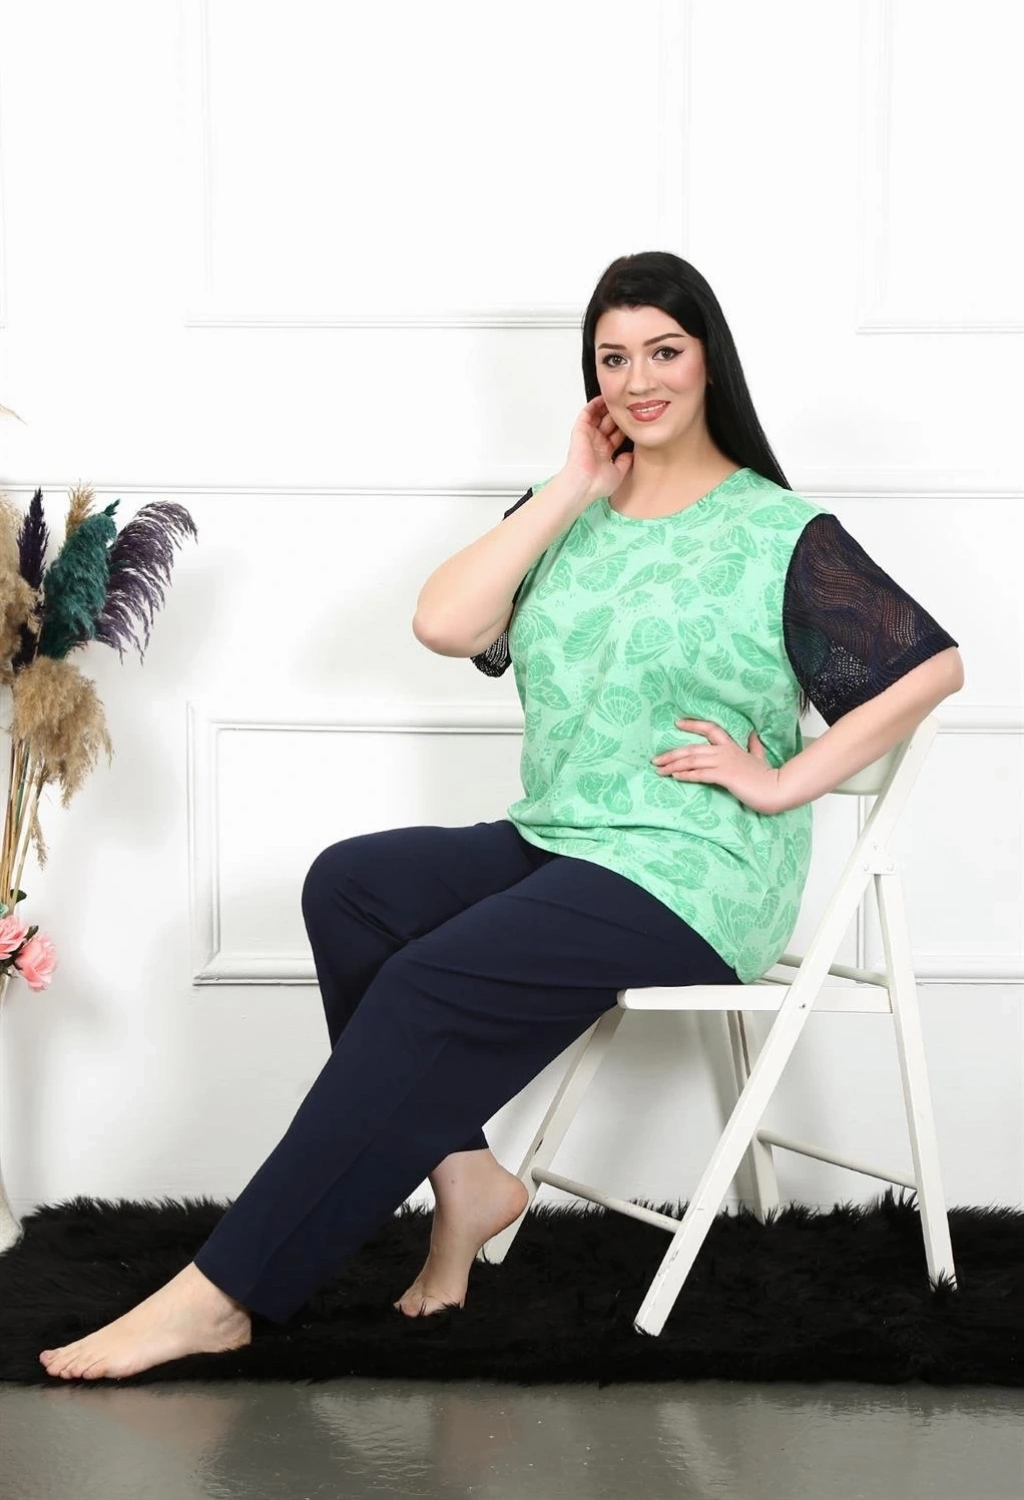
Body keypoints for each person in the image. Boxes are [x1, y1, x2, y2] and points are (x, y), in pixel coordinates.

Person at [39, 250, 963, 1380]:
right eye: (612, 358)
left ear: (709, 361)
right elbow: (444, 625)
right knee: (352, 887)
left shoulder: (779, 532)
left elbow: (930, 667)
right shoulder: (566, 507)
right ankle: (468, 1177)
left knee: (426, 982)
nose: (638, 380)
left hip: (694, 866)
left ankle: (226, 1292)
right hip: (560, 835)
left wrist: (781, 783)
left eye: (663, 352)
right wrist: (571, 487)